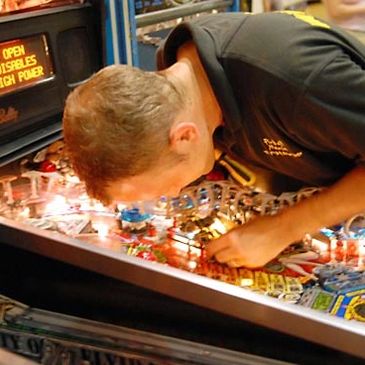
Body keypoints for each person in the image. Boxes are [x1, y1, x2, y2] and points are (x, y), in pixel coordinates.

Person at [63, 11, 365, 269]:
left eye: (168, 187)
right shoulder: (180, 80)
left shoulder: (294, 81)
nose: (170, 195)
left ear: (184, 136)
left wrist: (284, 228)